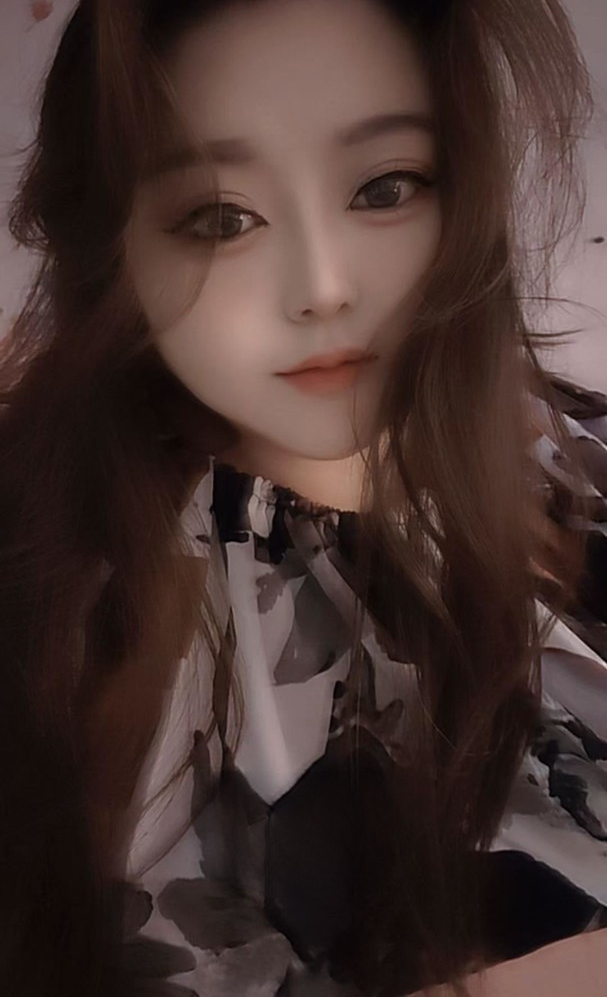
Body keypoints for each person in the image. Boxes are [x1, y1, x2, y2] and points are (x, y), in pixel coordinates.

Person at [0, 0, 606, 994]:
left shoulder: (564, 449)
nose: (323, 287)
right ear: (114, 249)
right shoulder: (81, 617)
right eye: (220, 219)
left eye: (385, 187)